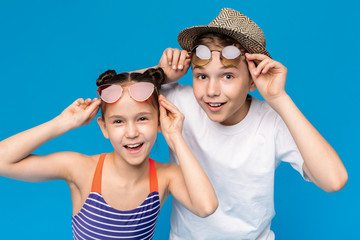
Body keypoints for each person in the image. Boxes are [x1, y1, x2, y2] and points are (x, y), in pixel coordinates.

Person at [138, 8, 348, 239]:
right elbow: (111, 94)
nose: (211, 91)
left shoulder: (271, 122)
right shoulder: (180, 102)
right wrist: (158, 74)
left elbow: (334, 180)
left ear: (253, 80)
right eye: (202, 76)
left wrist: (279, 98)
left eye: (228, 76)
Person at [0, 68, 218, 239]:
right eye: (118, 122)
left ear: (159, 122)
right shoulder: (81, 169)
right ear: (104, 127)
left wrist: (175, 137)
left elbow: (206, 206)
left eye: (142, 119)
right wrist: (62, 123)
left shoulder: (165, 176)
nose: (132, 133)